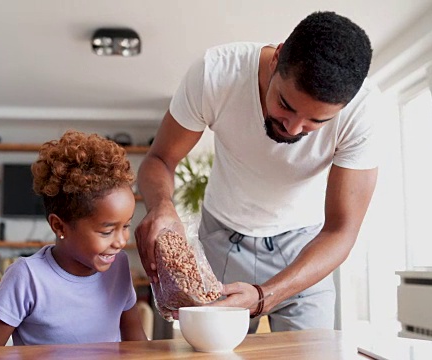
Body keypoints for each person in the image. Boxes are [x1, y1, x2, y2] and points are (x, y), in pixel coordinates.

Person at [135, 11, 381, 332]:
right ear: (276, 58)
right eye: (286, 104)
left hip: (305, 249)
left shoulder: (365, 113)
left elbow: (341, 231)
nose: (293, 129)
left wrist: (266, 295)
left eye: (316, 122)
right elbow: (160, 159)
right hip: (222, 235)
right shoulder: (216, 74)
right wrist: (162, 207)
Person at [0, 130, 147, 346]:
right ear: (58, 225)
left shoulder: (118, 266)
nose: (121, 241)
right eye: (106, 231)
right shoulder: (28, 277)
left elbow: (137, 344)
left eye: (126, 226)